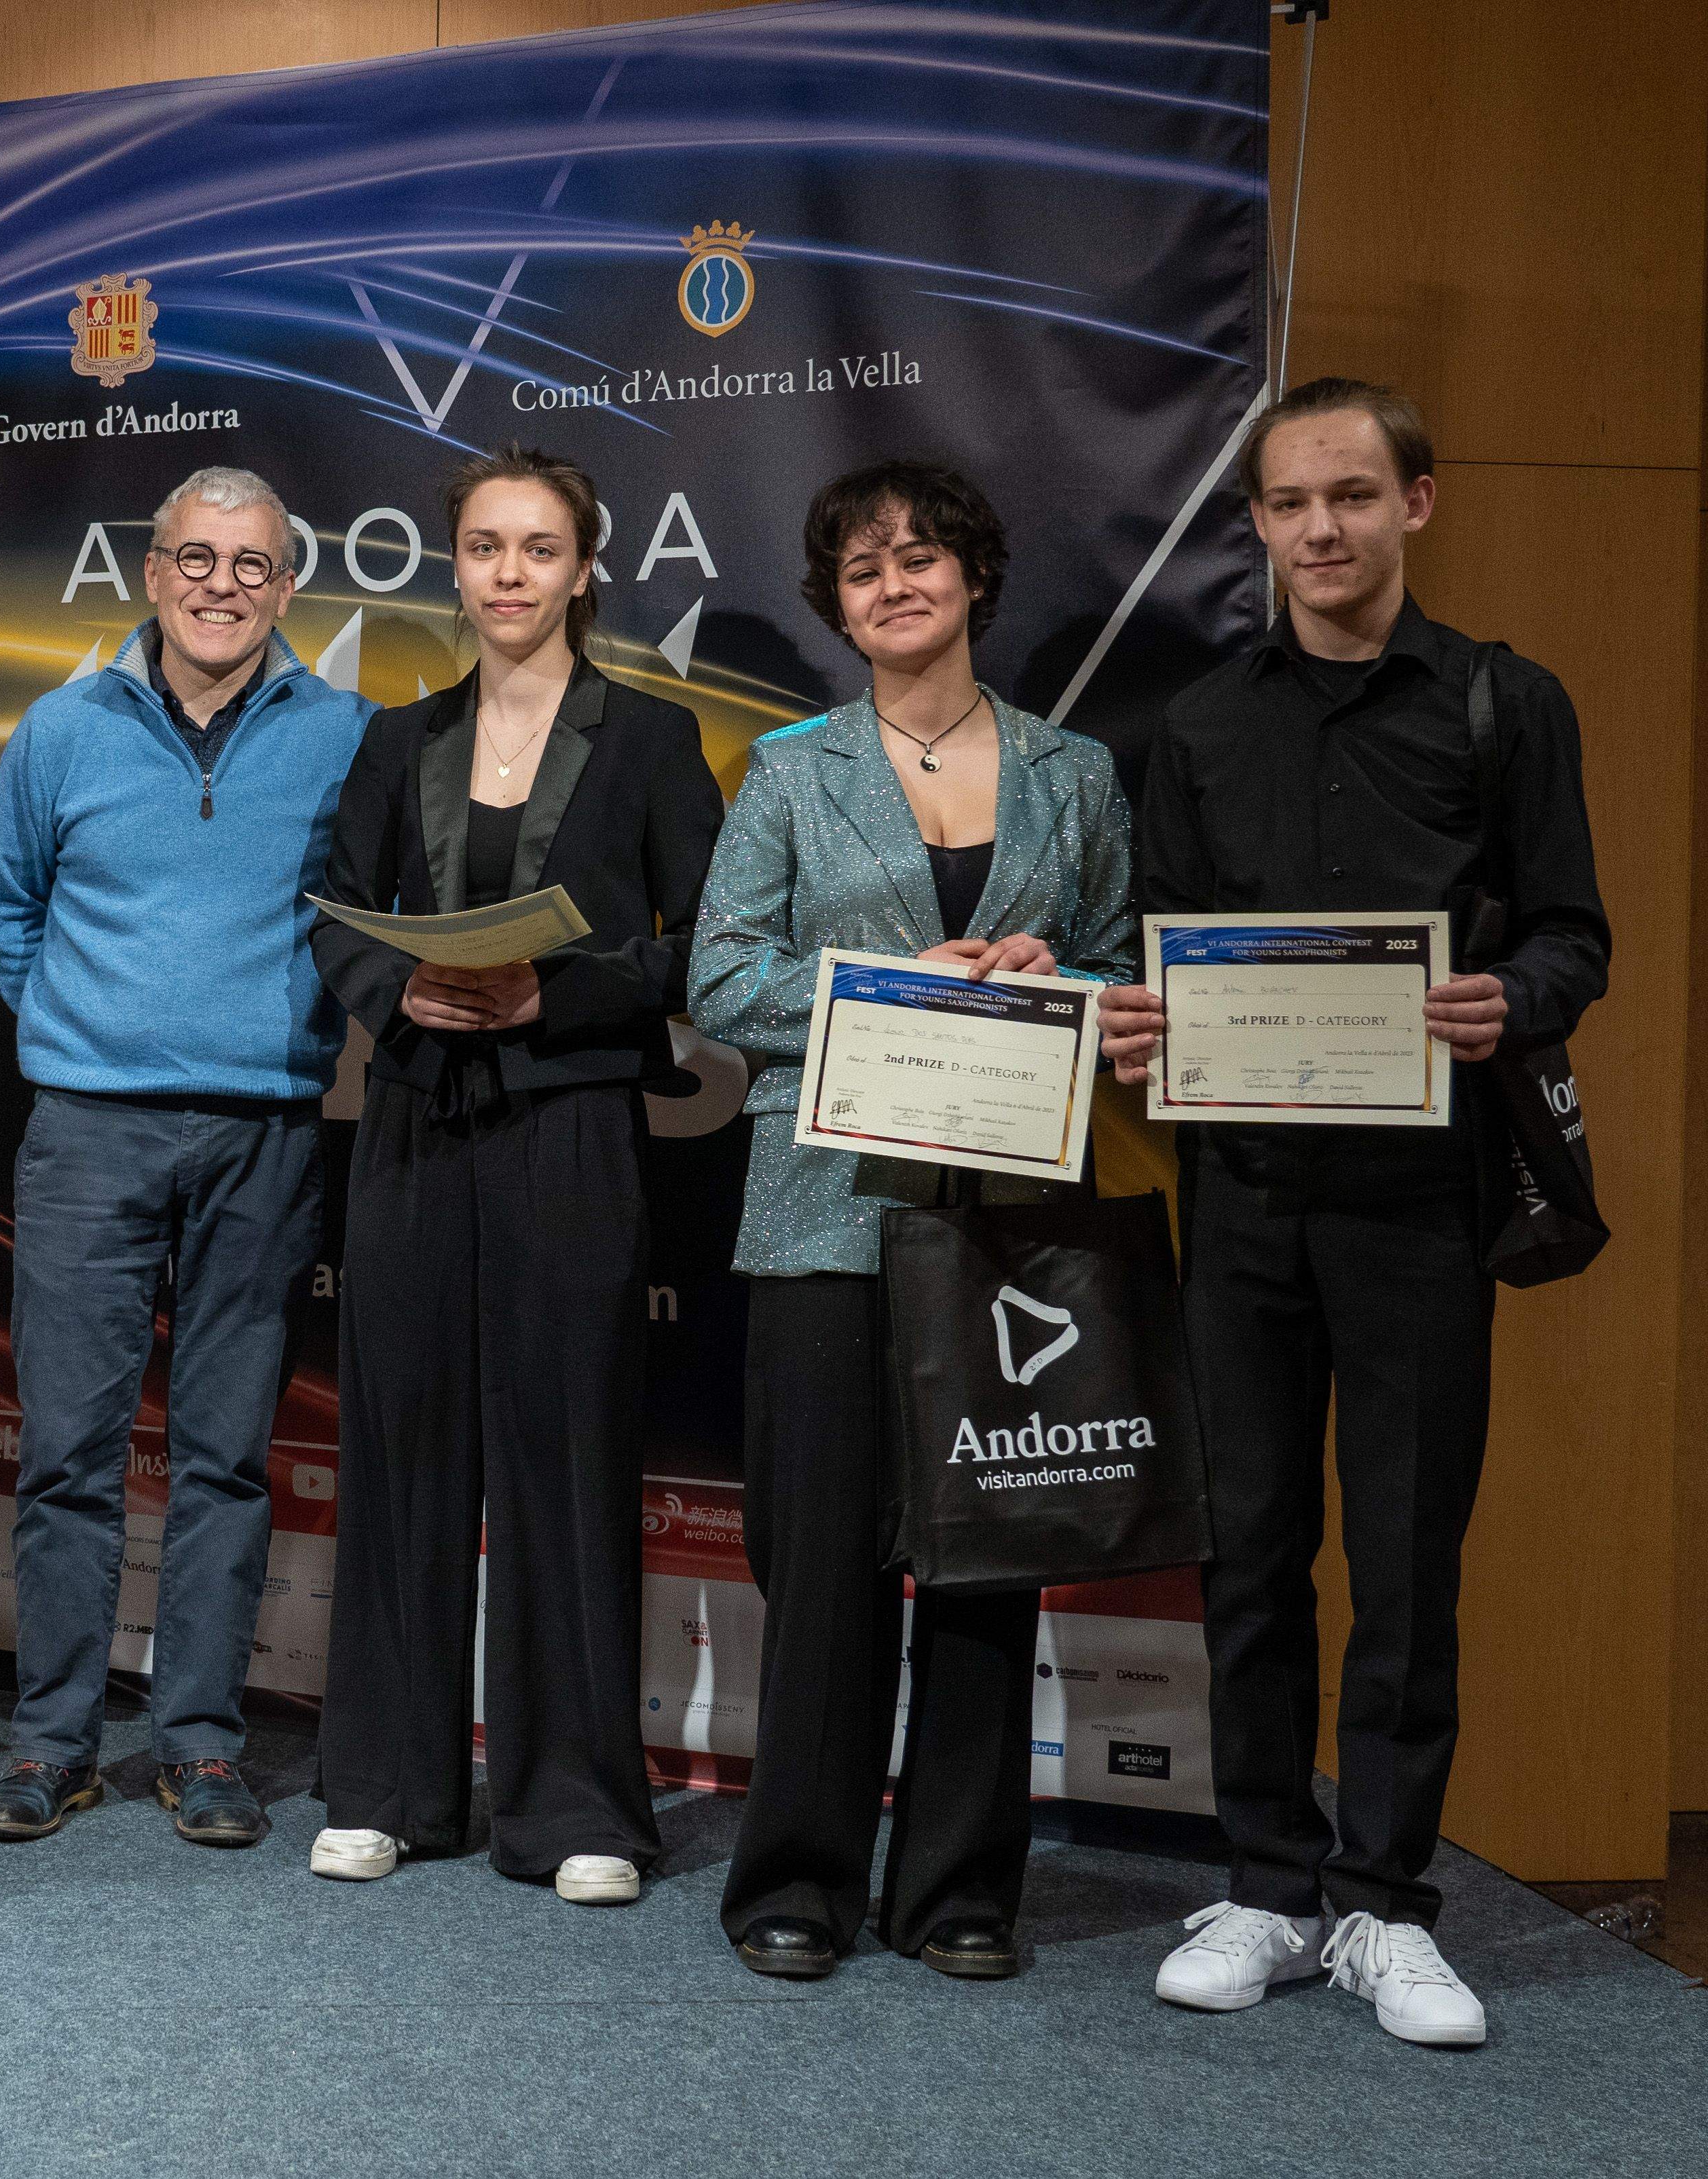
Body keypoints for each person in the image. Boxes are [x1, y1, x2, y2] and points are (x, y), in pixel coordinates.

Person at [1102, 379, 1608, 2048]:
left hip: (1418, 1206)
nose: (1317, 528)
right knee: (1249, 1552)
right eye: (1286, 503)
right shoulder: (1195, 723)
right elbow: (1159, 944)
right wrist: (1143, 1021)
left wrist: (1509, 1000)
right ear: (1253, 524)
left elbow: (1573, 935)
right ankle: (1264, 1883)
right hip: (1239, 1199)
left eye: (1349, 495)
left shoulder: (1501, 702)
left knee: (1401, 1564)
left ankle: (1384, 1905)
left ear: (1413, 504)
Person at [688, 460, 1134, 1983]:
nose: (894, 583)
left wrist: (1057, 980)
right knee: (821, 1563)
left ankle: (955, 1889)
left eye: (920, 555)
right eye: (863, 567)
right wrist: (888, 988)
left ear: (973, 577)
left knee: (987, 1554)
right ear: (837, 602)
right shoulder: (787, 771)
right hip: (823, 1212)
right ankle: (796, 1882)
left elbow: (1119, 970)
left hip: (1009, 1216)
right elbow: (721, 978)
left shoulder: (1075, 770)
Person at [304, 445, 724, 1906]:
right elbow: (333, 911)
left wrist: (562, 992)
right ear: (456, 564)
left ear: (583, 569)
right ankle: (384, 1788)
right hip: (415, 1123)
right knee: (401, 1450)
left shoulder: (652, 736)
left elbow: (707, 945)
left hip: (572, 1126)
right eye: (485, 546)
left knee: (566, 1456)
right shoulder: (398, 738)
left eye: (538, 549)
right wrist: (395, 989)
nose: (508, 573)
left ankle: (576, 1809)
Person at [0, 464, 371, 1846]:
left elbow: (368, 923)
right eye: (196, 558)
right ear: (149, 572)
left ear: (285, 586)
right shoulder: (60, 729)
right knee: (67, 1454)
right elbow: (5, 909)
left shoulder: (347, 738)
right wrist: (88, 1034)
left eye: (251, 564)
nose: (220, 585)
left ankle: (200, 1745)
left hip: (266, 1133)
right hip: (88, 1132)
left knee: (227, 1459)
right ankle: (53, 1741)